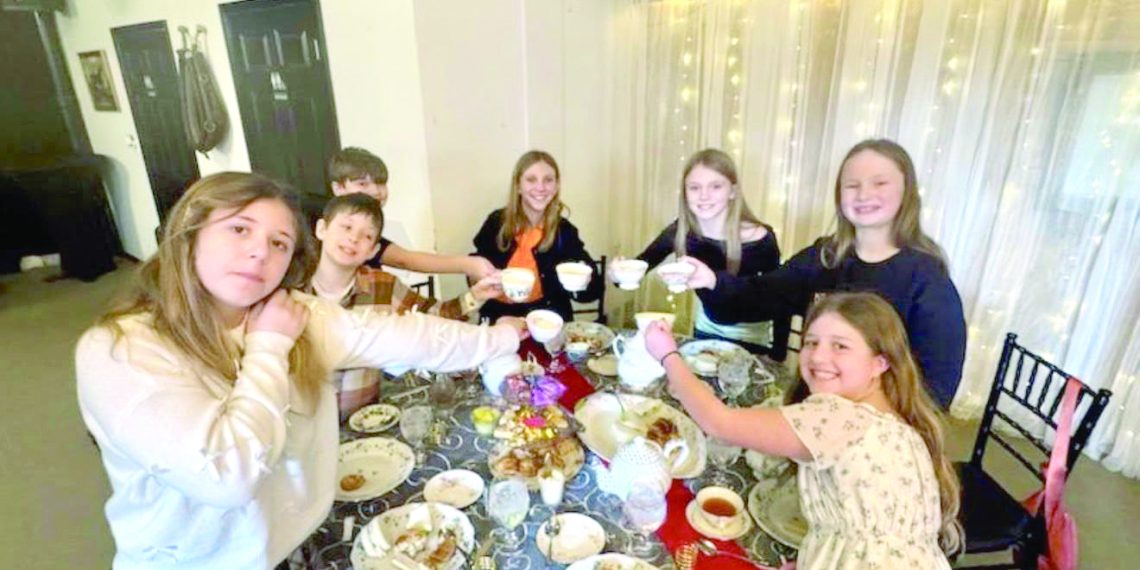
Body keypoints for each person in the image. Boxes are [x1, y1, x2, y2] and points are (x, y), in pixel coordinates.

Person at [75, 172, 525, 569]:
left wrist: (500, 339)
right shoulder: (120, 349)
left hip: (297, 544)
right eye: (239, 229)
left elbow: (408, 335)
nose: (258, 253)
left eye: (278, 243)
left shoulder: (295, 312)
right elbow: (227, 475)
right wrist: (269, 346)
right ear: (189, 233)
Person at [645, 292, 962, 569]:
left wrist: (668, 354)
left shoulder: (839, 417)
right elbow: (876, 540)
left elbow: (719, 423)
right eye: (811, 343)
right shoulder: (903, 428)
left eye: (840, 346)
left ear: (880, 363)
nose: (819, 356)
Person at [681, 139, 965, 407]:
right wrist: (711, 280)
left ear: (907, 192)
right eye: (852, 185)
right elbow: (758, 296)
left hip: (879, 430)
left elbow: (937, 388)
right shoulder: (822, 258)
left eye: (880, 183)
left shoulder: (927, 279)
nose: (864, 194)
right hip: (812, 409)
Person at [307, 193, 503, 417]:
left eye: (366, 235)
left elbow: (436, 318)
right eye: (346, 227)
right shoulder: (292, 287)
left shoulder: (383, 286)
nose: (353, 238)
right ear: (321, 229)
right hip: (307, 429)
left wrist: (475, 296)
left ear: (373, 250)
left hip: (366, 422)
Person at [621, 148, 790, 360]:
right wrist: (619, 274)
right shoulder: (682, 230)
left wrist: (778, 355)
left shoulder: (759, 238)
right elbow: (643, 264)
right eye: (694, 187)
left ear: (732, 191)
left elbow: (780, 300)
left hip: (751, 339)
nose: (703, 196)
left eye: (716, 186)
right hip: (704, 330)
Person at [326, 147, 496, 281]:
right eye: (362, 184)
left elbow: (405, 258)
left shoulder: (372, 229)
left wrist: (469, 264)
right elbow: (403, 260)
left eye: (380, 183)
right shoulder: (327, 230)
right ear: (338, 188)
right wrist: (468, 265)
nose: (376, 191)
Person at [472, 150, 604, 322]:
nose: (541, 187)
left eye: (548, 180)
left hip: (549, 321)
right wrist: (479, 277)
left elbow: (591, 293)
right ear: (518, 186)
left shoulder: (564, 231)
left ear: (556, 187)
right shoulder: (496, 223)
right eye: (531, 179)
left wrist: (584, 281)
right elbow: (475, 268)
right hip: (500, 318)